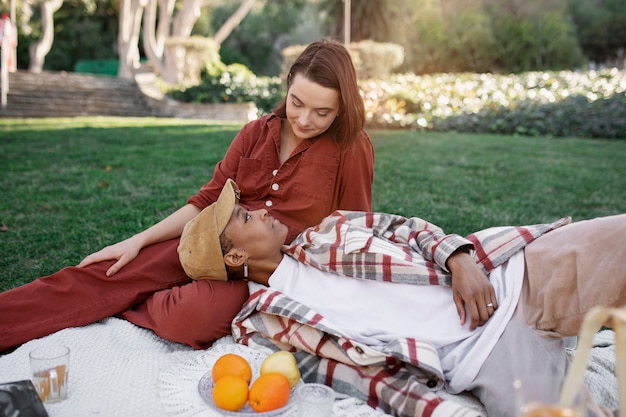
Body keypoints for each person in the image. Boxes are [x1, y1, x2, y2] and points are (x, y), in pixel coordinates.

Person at [0, 38, 375, 352]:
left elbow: (353, 231)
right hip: (209, 239)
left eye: (322, 112)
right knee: (110, 271)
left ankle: (130, 303)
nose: (305, 119)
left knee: (191, 318)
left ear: (342, 106)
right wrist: (137, 241)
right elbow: (208, 200)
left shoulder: (351, 148)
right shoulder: (255, 133)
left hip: (261, 271)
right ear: (288, 84)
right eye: (297, 102)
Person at [178, 179, 625, 417]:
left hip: (514, 274)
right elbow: (352, 377)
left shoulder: (329, 228)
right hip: (487, 355)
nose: (262, 211)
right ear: (234, 254)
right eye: (245, 216)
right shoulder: (265, 326)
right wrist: (437, 411)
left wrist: (460, 259)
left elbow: (408, 228)